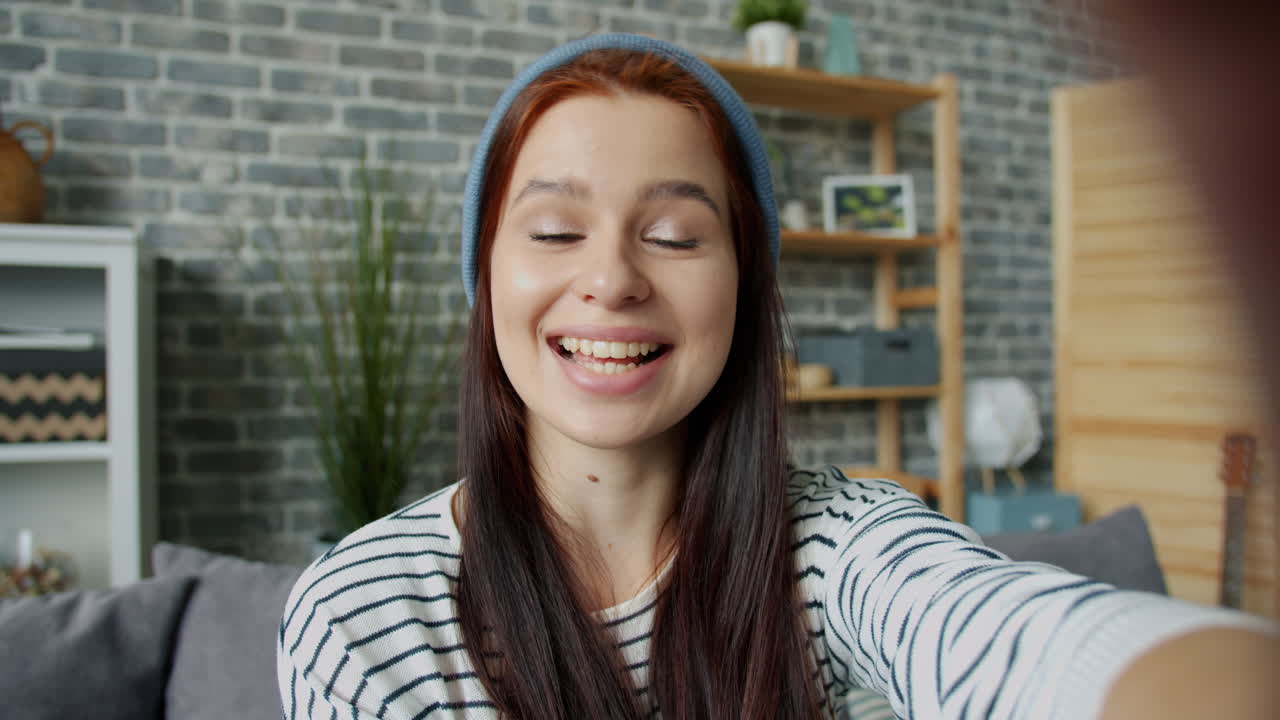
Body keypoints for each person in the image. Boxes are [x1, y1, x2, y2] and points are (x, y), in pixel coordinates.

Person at [276, 34, 1277, 719]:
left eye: (673, 236)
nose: (613, 280)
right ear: (486, 276)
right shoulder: (363, 616)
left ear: (745, 287)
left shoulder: (838, 553)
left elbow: (1003, 635)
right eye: (553, 231)